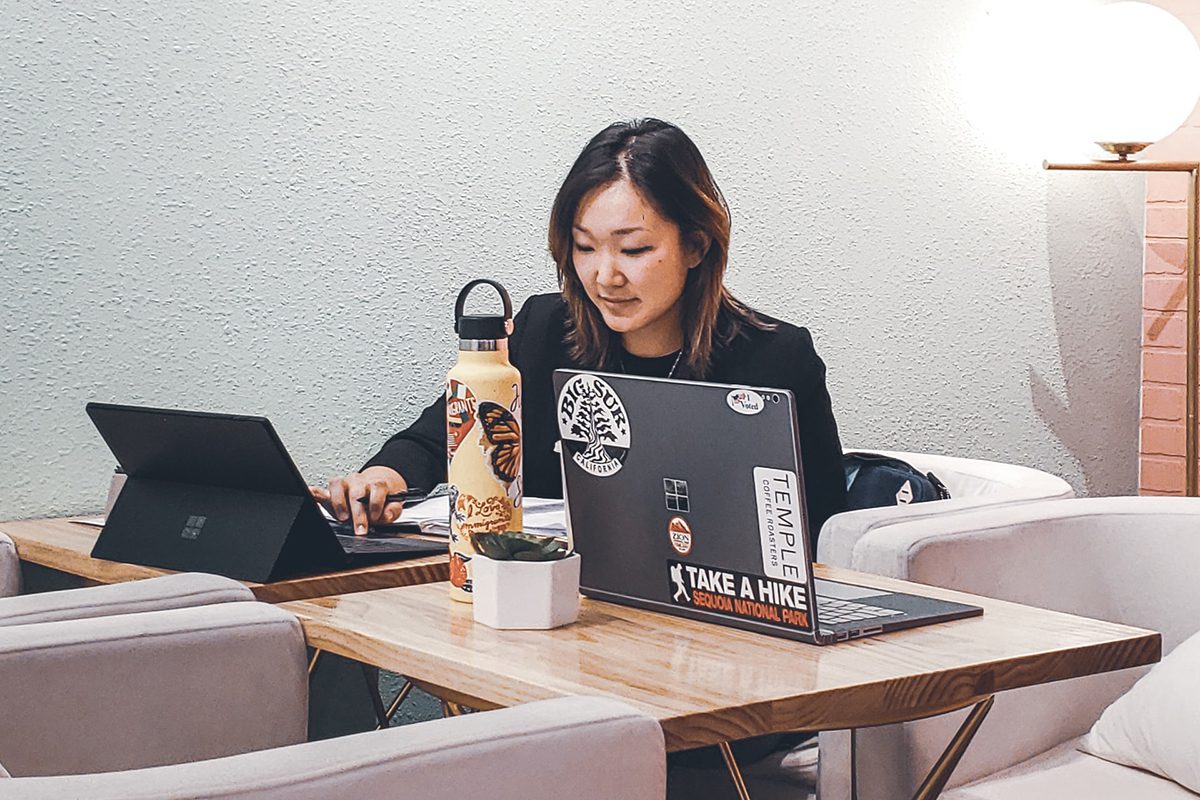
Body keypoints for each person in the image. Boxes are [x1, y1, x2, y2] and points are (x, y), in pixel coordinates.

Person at [313, 118, 848, 554]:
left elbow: (826, 535)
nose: (605, 276)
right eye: (584, 247)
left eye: (633, 249)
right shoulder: (545, 331)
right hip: (554, 609)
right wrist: (379, 478)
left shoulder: (775, 358)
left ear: (696, 246)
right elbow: (438, 439)